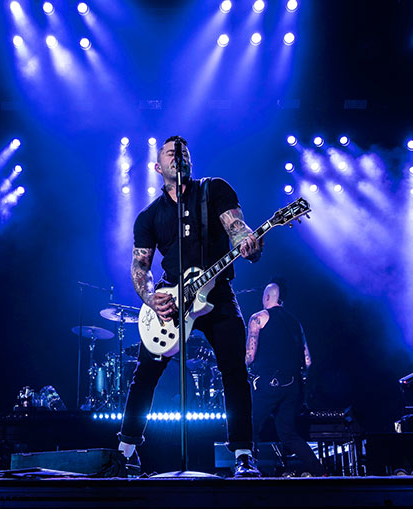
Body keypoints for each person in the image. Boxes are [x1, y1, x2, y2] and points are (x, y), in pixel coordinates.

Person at [117, 135, 263, 477]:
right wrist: (150, 298)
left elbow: (236, 226)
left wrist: (246, 241)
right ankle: (125, 452)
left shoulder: (213, 190)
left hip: (217, 292)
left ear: (190, 161)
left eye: (183, 152)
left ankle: (243, 454)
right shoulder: (149, 216)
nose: (177, 156)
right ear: (158, 166)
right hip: (171, 299)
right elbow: (140, 266)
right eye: (170, 152)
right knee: (145, 374)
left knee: (235, 371)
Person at [246, 278, 323, 477]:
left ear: (267, 297)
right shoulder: (295, 323)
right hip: (293, 386)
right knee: (288, 433)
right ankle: (320, 472)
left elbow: (249, 357)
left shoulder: (258, 318)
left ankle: (248, 471)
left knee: (249, 427)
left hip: (268, 383)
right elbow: (308, 361)